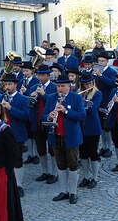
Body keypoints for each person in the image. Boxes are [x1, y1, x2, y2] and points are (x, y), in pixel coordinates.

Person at [43, 75, 86, 204]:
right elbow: (43, 115)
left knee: (73, 164)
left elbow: (82, 116)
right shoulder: (51, 98)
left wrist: (66, 111)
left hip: (71, 136)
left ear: (69, 86)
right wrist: (49, 116)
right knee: (60, 165)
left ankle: (73, 192)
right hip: (55, 136)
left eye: (62, 86)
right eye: (58, 86)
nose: (60, 89)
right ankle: (63, 191)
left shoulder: (76, 97)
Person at [26, 65, 58, 184]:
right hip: (37, 121)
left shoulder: (54, 87)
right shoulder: (34, 87)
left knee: (52, 148)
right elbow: (28, 103)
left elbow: (55, 102)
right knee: (41, 149)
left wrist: (44, 95)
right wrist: (32, 96)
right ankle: (45, 171)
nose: (40, 77)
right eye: (38, 75)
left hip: (49, 121)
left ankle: (54, 173)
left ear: (48, 75)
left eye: (42, 75)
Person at [1, 73, 30, 197]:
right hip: (3, 133)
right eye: (5, 84)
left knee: (17, 160)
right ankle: (6, 183)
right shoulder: (1, 98)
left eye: (9, 84)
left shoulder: (23, 99)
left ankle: (19, 185)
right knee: (5, 160)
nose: (7, 86)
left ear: (15, 85)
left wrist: (10, 108)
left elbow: (26, 116)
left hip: (17, 133)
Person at [78, 73, 102, 189]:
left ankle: (95, 177)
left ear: (93, 83)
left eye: (89, 83)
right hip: (81, 128)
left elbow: (92, 109)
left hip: (93, 127)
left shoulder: (97, 93)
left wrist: (84, 103)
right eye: (85, 84)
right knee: (83, 154)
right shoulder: (79, 94)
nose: (87, 85)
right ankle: (86, 177)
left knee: (93, 153)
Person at [95, 51, 117, 158]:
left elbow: (112, 84)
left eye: (103, 61)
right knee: (101, 127)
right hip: (97, 101)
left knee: (107, 127)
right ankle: (103, 147)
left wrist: (101, 75)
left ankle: (109, 148)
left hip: (106, 101)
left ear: (107, 62)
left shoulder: (111, 71)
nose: (100, 62)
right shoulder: (95, 71)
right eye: (99, 61)